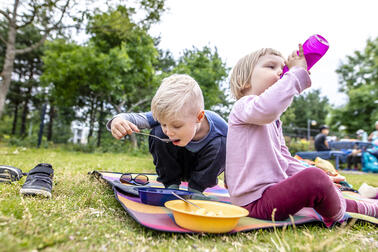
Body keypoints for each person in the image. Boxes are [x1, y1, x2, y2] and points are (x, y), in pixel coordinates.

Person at [226, 44, 378, 227]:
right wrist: (296, 74)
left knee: (317, 178)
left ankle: (369, 207)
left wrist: (319, 178)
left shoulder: (271, 121)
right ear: (245, 82)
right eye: (271, 67)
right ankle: (339, 215)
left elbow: (285, 159)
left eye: (282, 70)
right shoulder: (243, 107)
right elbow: (269, 106)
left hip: (271, 194)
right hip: (253, 202)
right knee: (315, 180)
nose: (280, 73)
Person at [107, 74, 227, 194]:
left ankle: (195, 190)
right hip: (176, 165)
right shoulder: (169, 117)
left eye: (177, 126)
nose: (168, 132)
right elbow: (137, 118)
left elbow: (238, 154)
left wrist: (230, 177)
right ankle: (171, 185)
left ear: (199, 117)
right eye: (164, 124)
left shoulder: (222, 130)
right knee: (158, 132)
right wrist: (117, 120)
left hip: (203, 170)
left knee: (222, 143)